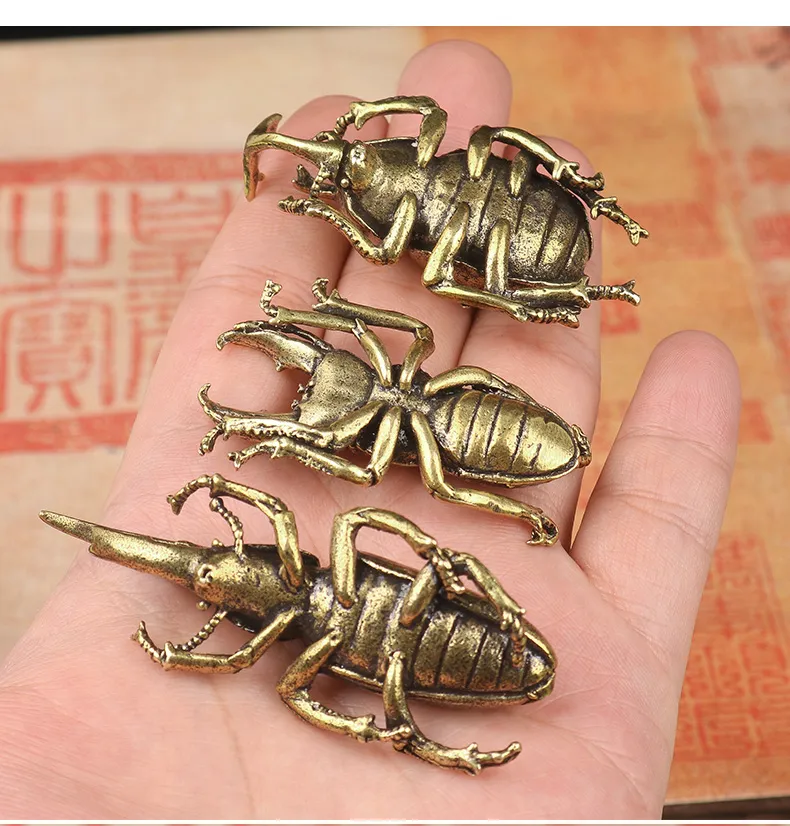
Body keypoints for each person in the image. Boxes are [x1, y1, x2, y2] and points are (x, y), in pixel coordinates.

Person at [0, 40, 740, 819]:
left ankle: (549, 294)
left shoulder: (340, 519)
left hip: (470, 383)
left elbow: (352, 473)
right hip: (437, 479)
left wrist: (300, 381)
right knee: (421, 437)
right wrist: (294, 399)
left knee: (428, 393)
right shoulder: (328, 565)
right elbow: (358, 485)